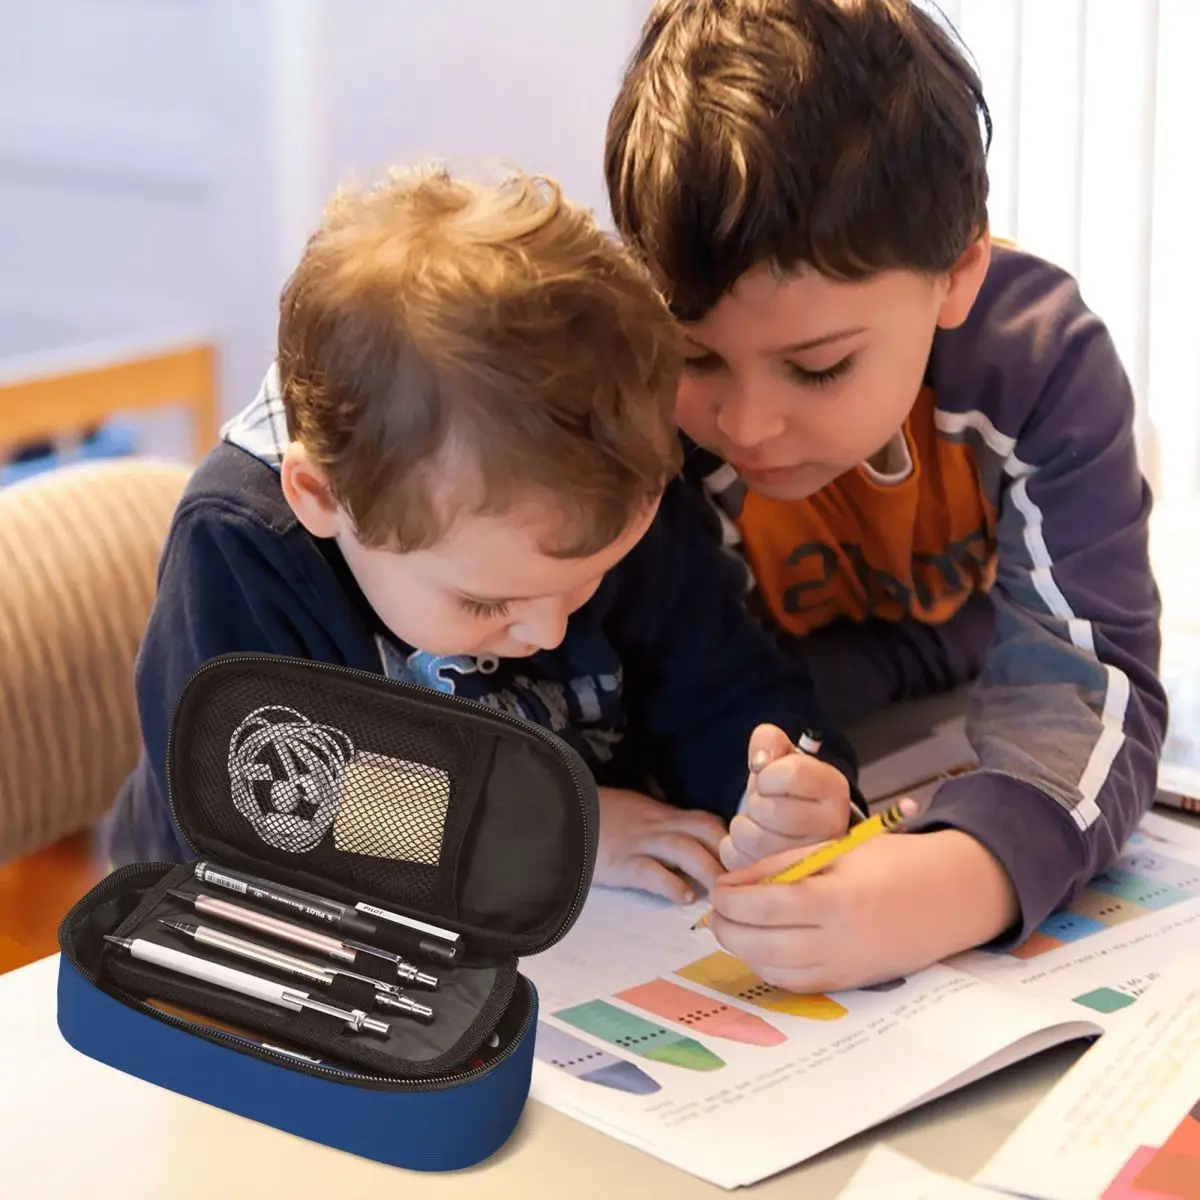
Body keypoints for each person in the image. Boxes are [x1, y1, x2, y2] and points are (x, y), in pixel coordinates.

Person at [99, 165, 865, 906]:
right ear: (323, 498)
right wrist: (561, 830)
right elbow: (257, 799)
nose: (549, 625)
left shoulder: (604, 484)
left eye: (587, 580)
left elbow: (719, 685)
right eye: (484, 603)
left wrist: (783, 793)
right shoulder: (243, 547)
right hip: (218, 941)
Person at [604, 0, 1167, 989]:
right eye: (695, 355)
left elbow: (1090, 681)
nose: (746, 425)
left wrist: (968, 875)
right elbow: (671, 696)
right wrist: (781, 785)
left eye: (817, 368)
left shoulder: (1042, 364)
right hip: (836, 723)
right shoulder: (633, 396)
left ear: (957, 274)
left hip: (963, 697)